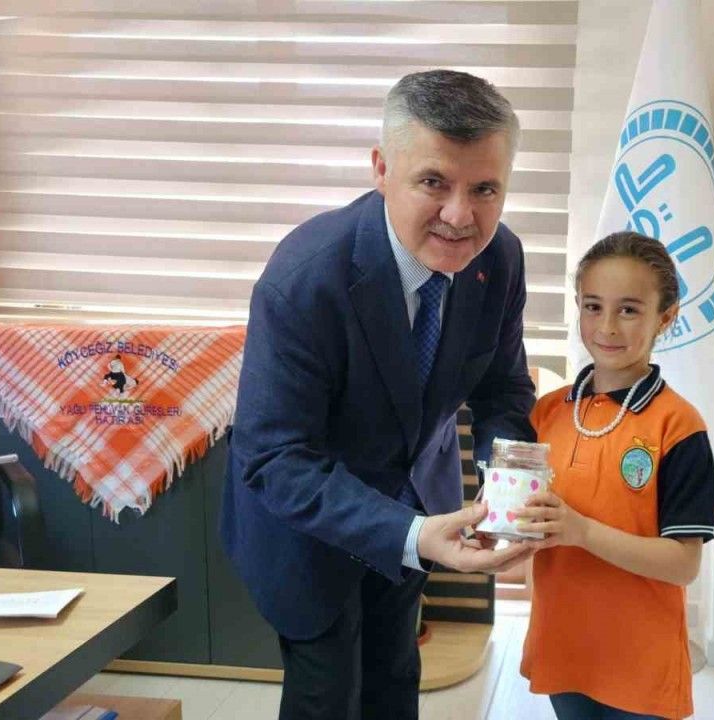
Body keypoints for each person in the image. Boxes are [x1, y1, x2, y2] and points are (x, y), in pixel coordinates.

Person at [221, 69, 537, 720]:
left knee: (393, 682)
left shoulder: (499, 259)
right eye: (434, 182)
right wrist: (412, 532)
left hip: (414, 508)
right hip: (307, 529)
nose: (461, 216)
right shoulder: (304, 280)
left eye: (485, 189)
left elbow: (503, 389)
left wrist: (510, 491)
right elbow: (274, 458)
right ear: (382, 169)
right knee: (327, 696)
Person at [516, 231, 714, 720]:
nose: (606, 326)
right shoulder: (547, 413)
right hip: (563, 645)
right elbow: (529, 528)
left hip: (640, 663)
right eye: (593, 306)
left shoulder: (679, 427)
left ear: (665, 318)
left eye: (628, 309)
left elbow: (683, 564)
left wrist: (582, 532)